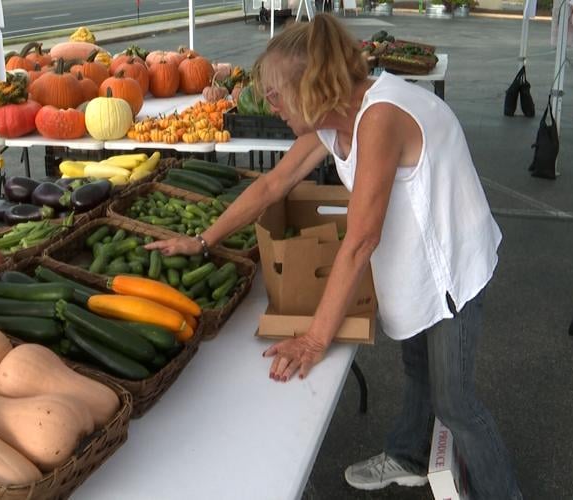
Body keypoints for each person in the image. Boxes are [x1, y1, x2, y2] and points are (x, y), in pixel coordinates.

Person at [145, 13, 522, 499]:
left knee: (455, 404)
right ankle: (409, 455)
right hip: (415, 261)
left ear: (311, 88)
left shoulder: (380, 118)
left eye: (276, 95)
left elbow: (361, 240)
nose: (272, 106)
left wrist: (314, 339)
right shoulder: (333, 119)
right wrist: (202, 241)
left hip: (451, 267)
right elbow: (272, 186)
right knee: (417, 369)